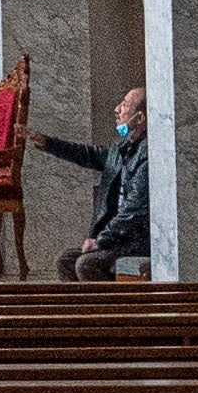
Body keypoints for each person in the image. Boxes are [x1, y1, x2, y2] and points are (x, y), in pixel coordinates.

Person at [40, 81, 152, 279]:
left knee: (86, 264)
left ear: (140, 117)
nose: (117, 109)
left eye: (125, 105)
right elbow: (88, 154)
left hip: (135, 240)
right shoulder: (122, 148)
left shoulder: (147, 153)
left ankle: (108, 310)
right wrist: (47, 143)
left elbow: (133, 211)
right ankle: (80, 310)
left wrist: (101, 240)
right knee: (65, 260)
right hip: (118, 238)